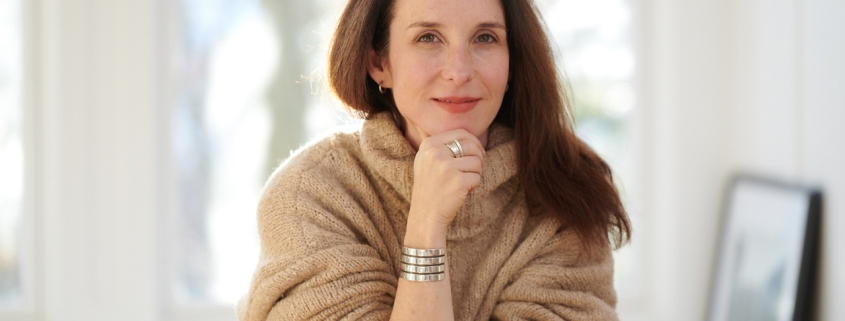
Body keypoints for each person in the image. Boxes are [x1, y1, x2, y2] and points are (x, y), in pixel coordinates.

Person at [237, 0, 631, 319]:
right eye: (428, 37)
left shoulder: (565, 190)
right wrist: (427, 223)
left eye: (485, 38)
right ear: (379, 63)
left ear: (513, 59)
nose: (459, 71)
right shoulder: (310, 193)